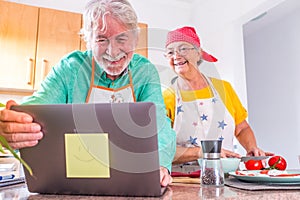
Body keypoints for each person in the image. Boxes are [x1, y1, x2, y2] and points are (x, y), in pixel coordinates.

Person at [0, 0, 175, 186]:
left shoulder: (144, 71)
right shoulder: (70, 68)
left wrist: (159, 164)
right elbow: (36, 109)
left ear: (136, 39)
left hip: (130, 178)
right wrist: (13, 126)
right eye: (101, 39)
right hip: (75, 181)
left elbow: (159, 126)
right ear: (88, 40)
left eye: (122, 39)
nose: (112, 51)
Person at [162, 26, 272, 171]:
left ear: (198, 53)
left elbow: (242, 128)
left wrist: (252, 148)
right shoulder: (166, 97)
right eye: (170, 52)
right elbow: (162, 149)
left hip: (227, 176)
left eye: (183, 49)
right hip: (185, 179)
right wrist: (204, 152)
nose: (176, 56)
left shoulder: (224, 88)